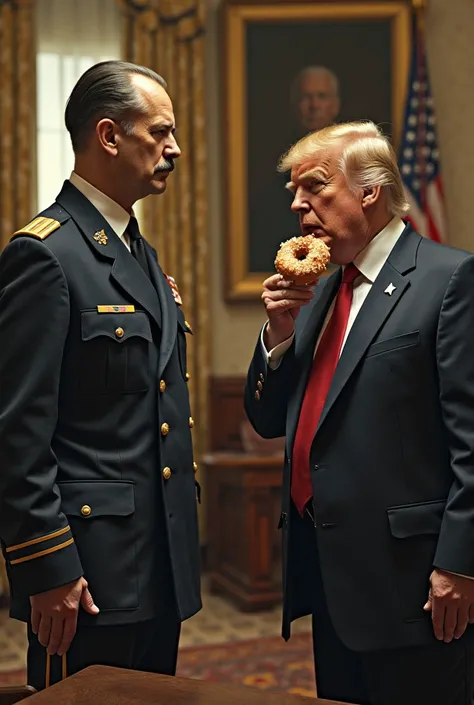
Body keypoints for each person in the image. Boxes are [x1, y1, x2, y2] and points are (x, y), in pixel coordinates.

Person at [244, 121, 474, 705]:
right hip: (332, 575)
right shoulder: (319, 291)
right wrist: (277, 334)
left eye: (315, 187)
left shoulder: (449, 279)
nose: (297, 203)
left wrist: (461, 565)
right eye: (294, 192)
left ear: (369, 191)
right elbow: (269, 420)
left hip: (416, 582)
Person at [0, 60, 201, 690]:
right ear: (109, 135)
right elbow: (18, 431)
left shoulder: (138, 250)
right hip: (86, 576)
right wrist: (48, 566)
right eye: (160, 132)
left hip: (156, 561)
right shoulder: (45, 254)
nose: (175, 149)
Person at [249, 66, 341, 272]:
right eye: (306, 97)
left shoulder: (351, 160)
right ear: (294, 106)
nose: (314, 105)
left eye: (322, 97)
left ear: (335, 105)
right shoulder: (278, 166)